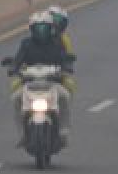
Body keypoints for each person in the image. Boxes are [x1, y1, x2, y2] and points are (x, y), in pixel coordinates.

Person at [8, 11, 74, 144]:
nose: (41, 32)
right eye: (38, 28)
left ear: (50, 28)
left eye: (44, 28)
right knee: (16, 98)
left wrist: (66, 67)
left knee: (64, 97)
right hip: (31, 83)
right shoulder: (26, 44)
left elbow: (64, 58)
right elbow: (18, 59)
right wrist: (13, 68)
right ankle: (21, 134)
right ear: (32, 29)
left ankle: (63, 131)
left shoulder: (57, 43)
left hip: (53, 82)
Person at [47, 4, 77, 93]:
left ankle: (63, 106)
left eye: (57, 20)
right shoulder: (34, 37)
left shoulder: (64, 38)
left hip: (56, 72)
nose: (54, 23)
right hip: (36, 72)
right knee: (16, 84)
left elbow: (69, 55)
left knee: (70, 85)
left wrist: (67, 65)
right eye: (52, 19)